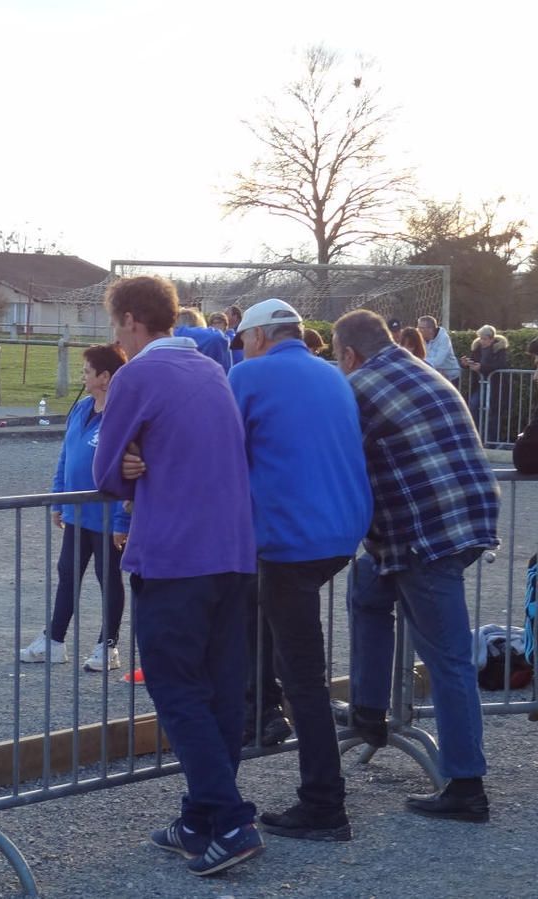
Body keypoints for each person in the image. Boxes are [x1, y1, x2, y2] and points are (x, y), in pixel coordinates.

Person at [93, 275, 263, 877]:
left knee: (175, 688)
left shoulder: (138, 375)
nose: (116, 337)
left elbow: (105, 472)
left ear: (131, 320)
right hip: (233, 550)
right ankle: (200, 819)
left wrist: (129, 461)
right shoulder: (211, 368)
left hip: (175, 553)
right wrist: (139, 456)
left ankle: (233, 820)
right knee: (220, 689)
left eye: (116, 324)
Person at [331, 309, 499, 823]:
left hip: (426, 537)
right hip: (467, 517)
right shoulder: (420, 369)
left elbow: (334, 460)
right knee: (367, 582)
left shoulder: (358, 388)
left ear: (349, 354)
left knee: (448, 658)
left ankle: (466, 784)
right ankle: (369, 709)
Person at [227, 298, 372, 842]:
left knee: (304, 677)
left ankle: (324, 803)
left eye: (242, 340)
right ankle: (262, 709)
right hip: (340, 532)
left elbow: (220, 450)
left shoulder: (249, 376)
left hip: (292, 539)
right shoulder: (331, 373)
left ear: (259, 336)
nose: (240, 349)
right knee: (261, 612)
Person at [21, 344, 130, 672]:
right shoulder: (82, 408)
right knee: (67, 572)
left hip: (106, 515)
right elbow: (66, 457)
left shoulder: (122, 416)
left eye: (87, 372)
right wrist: (58, 499)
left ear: (105, 377)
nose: (82, 376)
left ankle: (108, 645)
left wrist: (122, 520)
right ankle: (54, 640)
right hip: (77, 512)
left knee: (107, 577)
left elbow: (127, 471)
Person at [462, 324, 510, 439]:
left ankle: (491, 439)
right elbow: (473, 361)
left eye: (485, 339)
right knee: (473, 405)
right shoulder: (477, 348)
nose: (482, 341)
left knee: (492, 412)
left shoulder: (500, 349)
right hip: (480, 385)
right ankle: (476, 435)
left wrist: (481, 367)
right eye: (481, 338)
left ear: (492, 339)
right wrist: (465, 364)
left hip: (495, 386)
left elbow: (500, 365)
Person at [174, 307, 232, 371]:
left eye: (219, 323)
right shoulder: (215, 340)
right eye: (214, 323)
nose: (216, 325)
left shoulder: (172, 336)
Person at [417, 315, 460, 382]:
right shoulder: (419, 337)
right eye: (418, 327)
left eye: (421, 328)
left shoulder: (444, 338)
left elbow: (438, 361)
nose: (418, 330)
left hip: (450, 377)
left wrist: (417, 361)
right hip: (433, 375)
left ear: (431, 329)